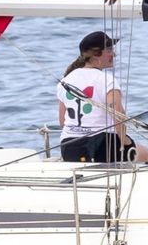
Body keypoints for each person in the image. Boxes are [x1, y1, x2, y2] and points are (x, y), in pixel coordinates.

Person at [56, 31, 137, 163]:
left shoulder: (65, 81)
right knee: (143, 153)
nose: (114, 54)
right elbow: (118, 115)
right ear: (96, 55)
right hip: (103, 146)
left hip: (69, 147)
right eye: (109, 50)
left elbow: (62, 122)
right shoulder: (107, 80)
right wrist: (125, 143)